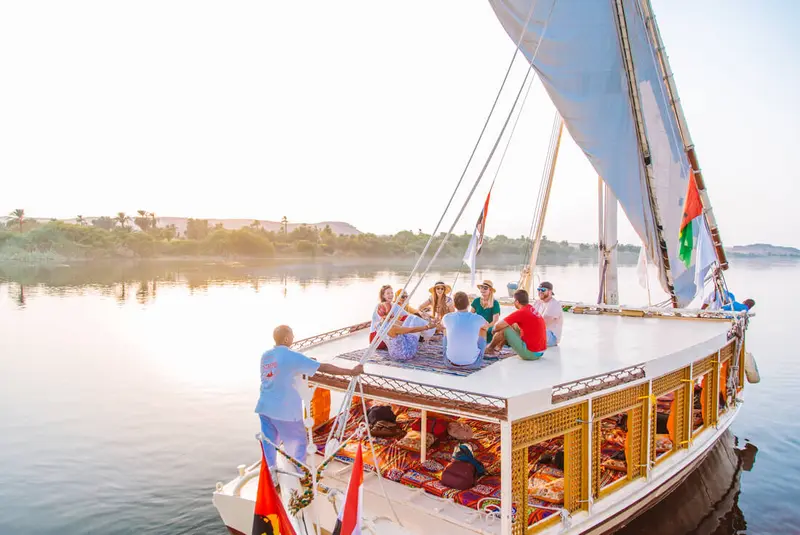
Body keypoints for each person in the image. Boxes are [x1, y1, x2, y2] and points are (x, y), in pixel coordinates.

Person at [256, 325, 363, 476]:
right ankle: (301, 474)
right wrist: (351, 372)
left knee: (270, 442)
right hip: (285, 411)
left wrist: (305, 361)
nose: (293, 337)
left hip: (265, 408)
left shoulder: (266, 355)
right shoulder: (292, 356)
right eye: (292, 334)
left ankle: (271, 472)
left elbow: (282, 369)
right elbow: (324, 368)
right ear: (286, 338)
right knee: (298, 442)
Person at [485, 289, 546, 360]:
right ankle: (498, 348)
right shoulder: (530, 309)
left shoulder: (522, 312)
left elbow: (498, 326)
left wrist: (494, 330)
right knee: (511, 324)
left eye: (514, 301)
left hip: (531, 354)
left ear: (517, 302)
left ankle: (489, 349)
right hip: (540, 352)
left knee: (504, 328)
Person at [442, 291, 489, 368]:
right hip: (473, 363)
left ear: (454, 305)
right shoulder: (478, 318)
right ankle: (476, 353)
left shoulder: (447, 317)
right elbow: (486, 326)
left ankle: (454, 353)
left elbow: (442, 325)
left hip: (450, 362)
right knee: (482, 329)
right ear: (468, 304)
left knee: (445, 329)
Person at [532, 281, 563, 347]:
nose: (540, 292)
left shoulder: (555, 304)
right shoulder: (537, 302)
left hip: (551, 337)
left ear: (550, 292)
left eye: (543, 290)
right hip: (540, 332)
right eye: (539, 290)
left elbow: (543, 322)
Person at [368, 284, 395, 349]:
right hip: (377, 338)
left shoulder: (392, 305)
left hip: (382, 336)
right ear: (383, 295)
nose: (391, 295)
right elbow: (385, 322)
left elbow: (405, 313)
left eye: (392, 293)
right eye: (388, 293)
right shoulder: (381, 305)